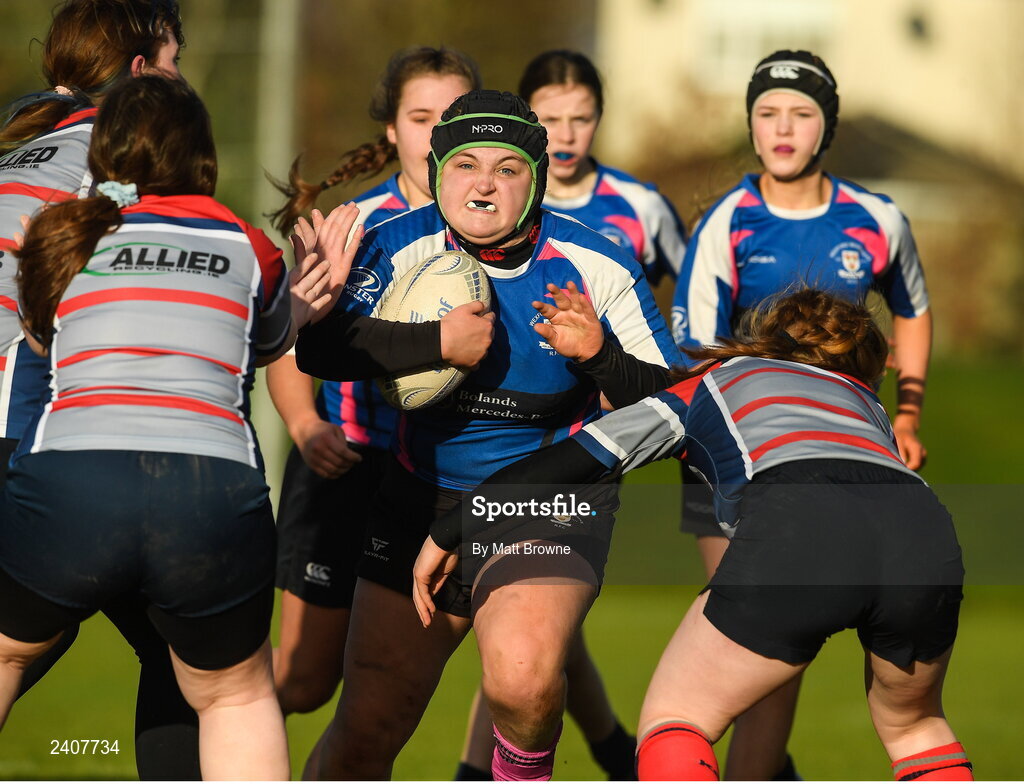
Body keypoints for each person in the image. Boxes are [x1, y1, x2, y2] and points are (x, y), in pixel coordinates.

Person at [413, 288, 969, 783]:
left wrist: (450, 527)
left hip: (800, 517)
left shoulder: (714, 382)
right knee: (916, 729)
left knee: (677, 724)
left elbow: (571, 462)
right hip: (924, 527)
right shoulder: (866, 405)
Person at [292, 89, 679, 780]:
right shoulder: (392, 243)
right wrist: (434, 339)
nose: (484, 184)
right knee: (365, 732)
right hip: (419, 498)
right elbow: (319, 355)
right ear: (438, 172)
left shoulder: (599, 262)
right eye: (466, 164)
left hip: (548, 502)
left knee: (522, 682)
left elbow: (677, 411)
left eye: (508, 169)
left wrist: (598, 357)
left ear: (537, 181)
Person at [0, 74, 360, 779]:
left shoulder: (61, 235)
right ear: (202, 155)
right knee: (234, 696)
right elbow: (274, 339)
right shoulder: (249, 244)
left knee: (8, 653)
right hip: (210, 494)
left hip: (72, 485)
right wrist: (311, 291)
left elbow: (43, 345)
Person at [670, 50, 933, 779]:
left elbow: (913, 312)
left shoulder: (877, 219)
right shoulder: (727, 223)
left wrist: (906, 414)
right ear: (750, 127)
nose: (783, 129)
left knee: (780, 635)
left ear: (829, 126)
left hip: (841, 458)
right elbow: (692, 352)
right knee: (754, 626)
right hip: (730, 463)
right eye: (766, 114)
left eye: (802, 114)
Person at [452, 49, 689, 781]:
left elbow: (675, 315)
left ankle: (487, 768)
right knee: (531, 643)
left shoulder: (634, 212)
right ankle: (614, 752)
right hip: (467, 450)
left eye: (580, 118)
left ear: (599, 122)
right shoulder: (473, 203)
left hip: (586, 448)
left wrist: (614, 364)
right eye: (549, 120)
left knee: (527, 644)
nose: (565, 133)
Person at [0, 1, 203, 778]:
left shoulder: (24, 156)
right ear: (144, 71)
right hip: (36, 438)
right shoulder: (123, 164)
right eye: (175, 61)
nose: (183, 79)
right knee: (206, 662)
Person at [265, 45, 480, 721]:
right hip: (347, 465)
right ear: (391, 128)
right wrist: (305, 426)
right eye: (421, 117)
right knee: (302, 684)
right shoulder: (355, 225)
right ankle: (201, 731)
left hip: (445, 480)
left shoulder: (499, 225)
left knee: (384, 700)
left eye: (455, 117)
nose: (438, 134)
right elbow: (286, 339)